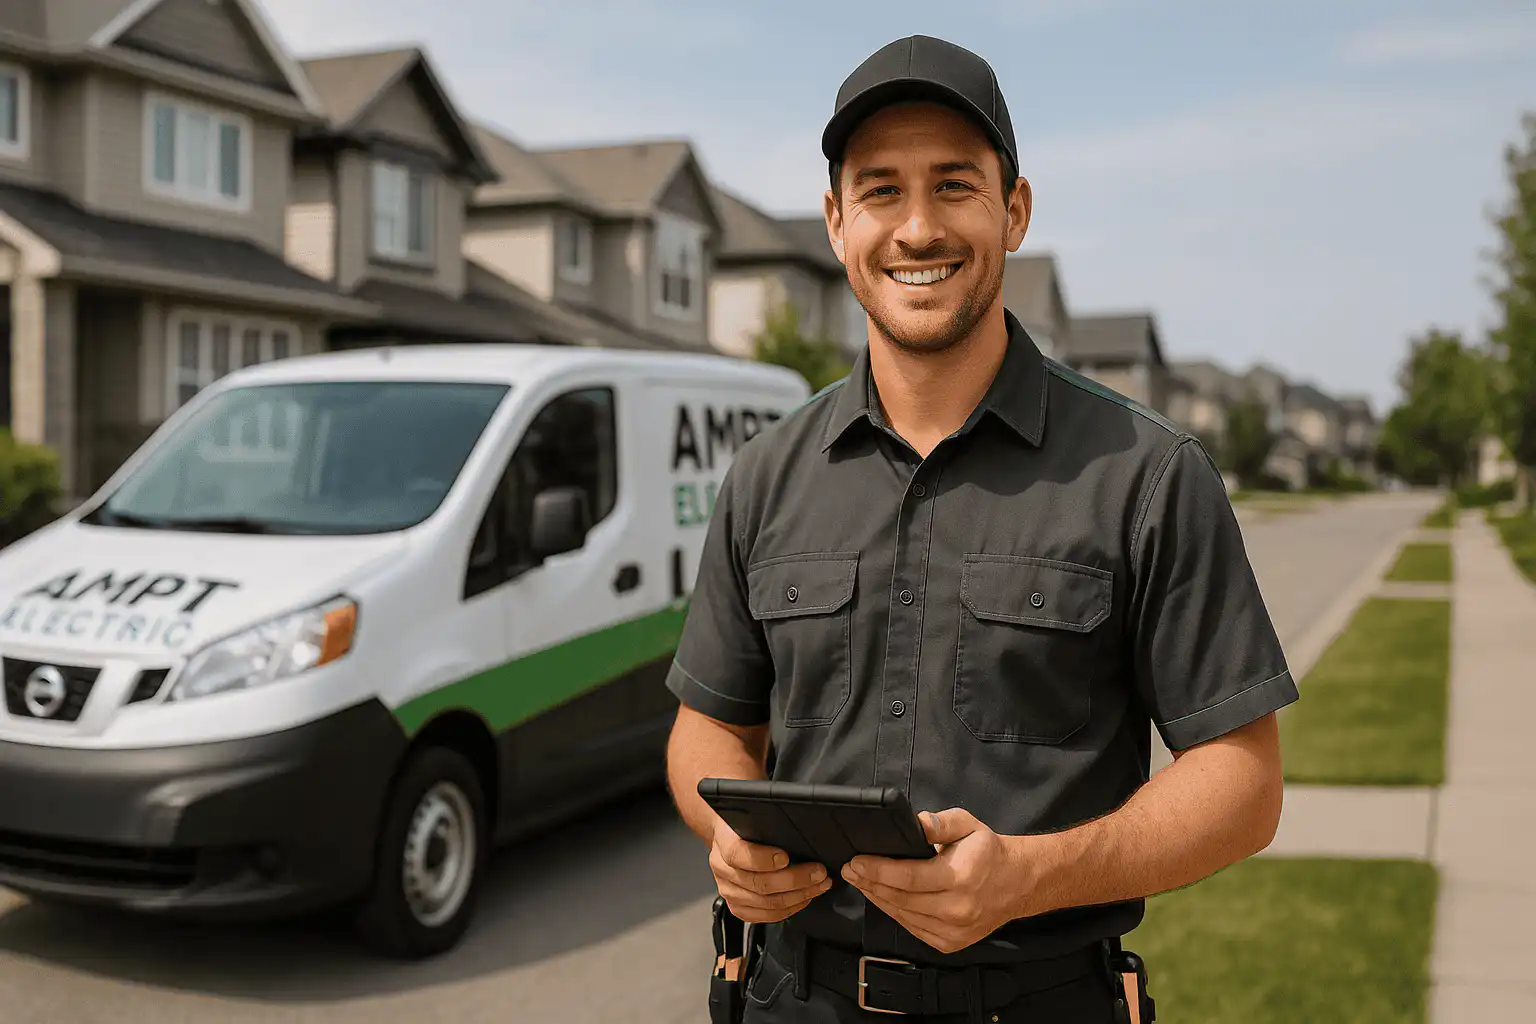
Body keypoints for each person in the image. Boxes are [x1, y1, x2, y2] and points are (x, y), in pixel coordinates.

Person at [664, 33, 1297, 1023]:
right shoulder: (765, 476)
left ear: (1014, 210)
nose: (917, 228)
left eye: (954, 186)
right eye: (881, 191)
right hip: (793, 997)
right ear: (836, 223)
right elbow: (708, 724)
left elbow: (1244, 784)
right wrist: (728, 834)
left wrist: (1031, 875)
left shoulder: (1148, 474)